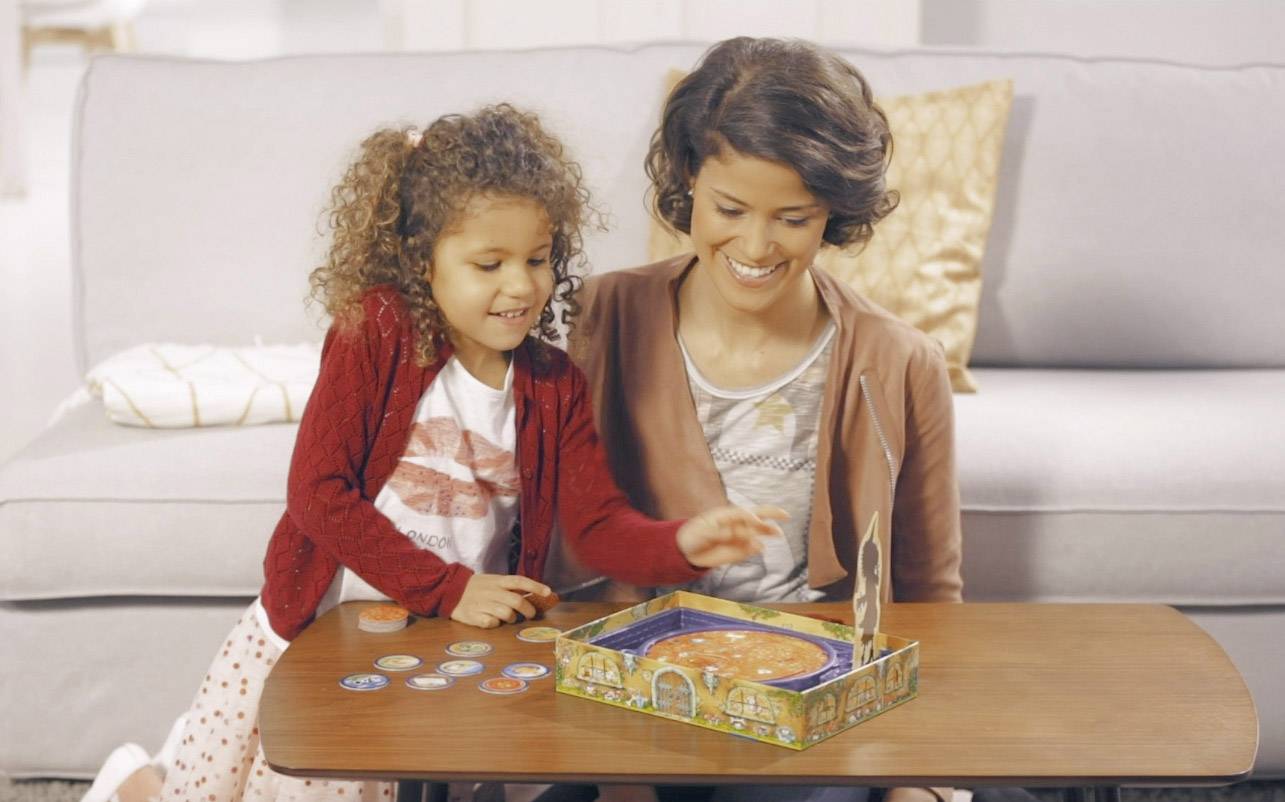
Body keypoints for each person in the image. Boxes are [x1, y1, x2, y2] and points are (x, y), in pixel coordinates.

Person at [81, 103, 784, 802]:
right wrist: (450, 588)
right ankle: (133, 778)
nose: (521, 285)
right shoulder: (376, 331)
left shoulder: (551, 383)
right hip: (318, 638)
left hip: (438, 652)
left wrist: (682, 541)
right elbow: (318, 492)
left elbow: (597, 524)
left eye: (537, 259)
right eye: (489, 263)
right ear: (422, 262)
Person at [569, 37, 964, 802]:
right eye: (728, 209)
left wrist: (918, 779)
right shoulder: (602, 318)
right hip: (632, 694)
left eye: (791, 217)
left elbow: (930, 600)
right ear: (688, 178)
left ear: (834, 213)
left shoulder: (902, 362)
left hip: (813, 707)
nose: (753, 245)